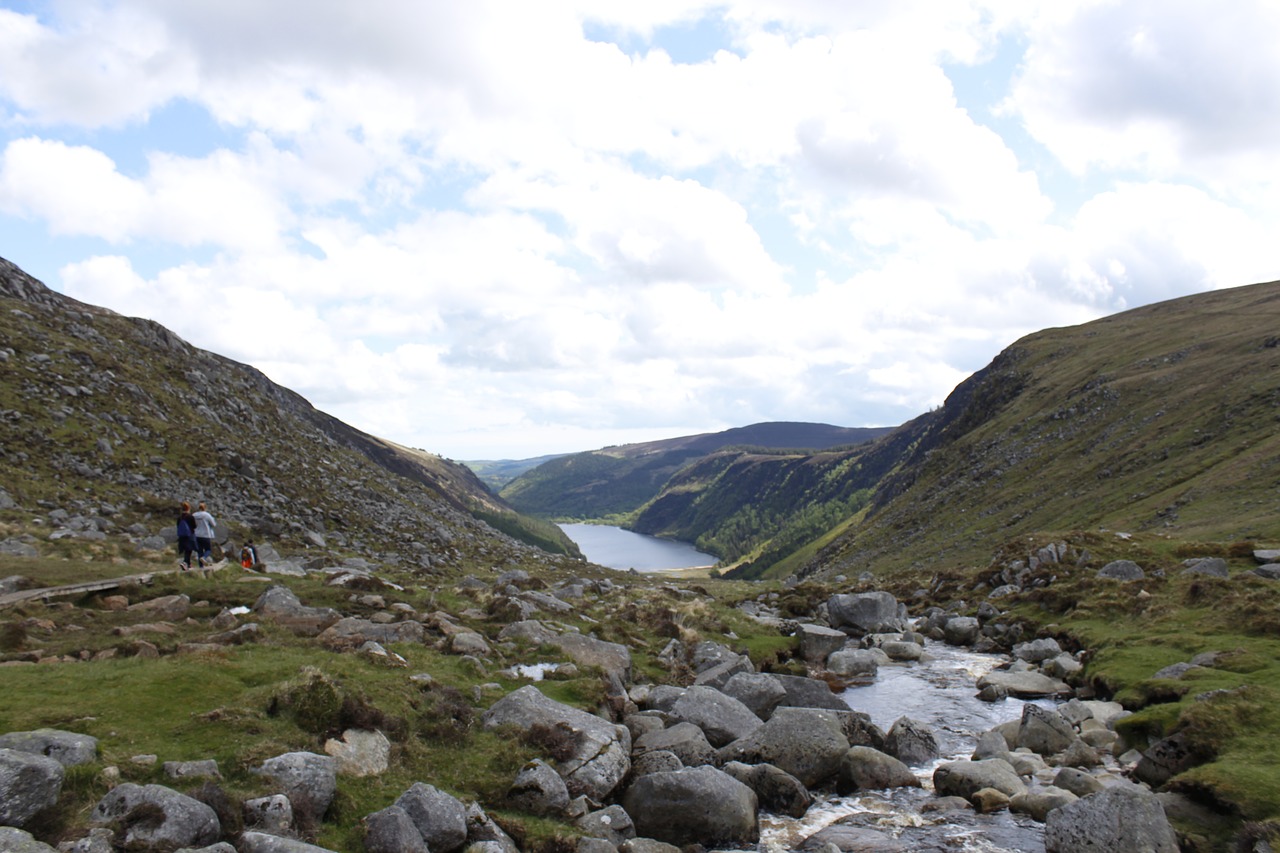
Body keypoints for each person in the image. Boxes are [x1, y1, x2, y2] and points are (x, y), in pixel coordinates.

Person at [192, 501, 216, 567]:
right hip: (206, 535)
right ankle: (204, 557)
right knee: (208, 550)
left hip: (197, 535)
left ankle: (201, 567)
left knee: (200, 551)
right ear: (205, 507)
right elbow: (213, 524)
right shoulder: (207, 515)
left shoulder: (194, 515)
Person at [176, 501, 197, 570]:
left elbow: (178, 526)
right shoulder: (190, 517)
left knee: (186, 550)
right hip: (189, 535)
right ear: (188, 508)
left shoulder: (180, 518)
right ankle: (185, 563)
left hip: (182, 536)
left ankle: (188, 564)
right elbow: (194, 526)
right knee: (189, 550)